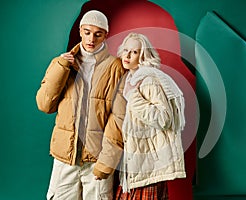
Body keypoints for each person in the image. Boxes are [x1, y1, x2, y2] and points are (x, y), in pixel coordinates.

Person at [36, 10, 126, 200]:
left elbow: (118, 118)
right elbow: (45, 105)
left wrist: (108, 160)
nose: (91, 38)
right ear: (80, 31)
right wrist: (61, 67)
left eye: (98, 34)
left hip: (96, 160)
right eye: (87, 32)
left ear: (106, 34)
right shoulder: (61, 63)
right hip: (65, 158)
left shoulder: (116, 67)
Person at [96, 32, 187, 199]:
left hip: (148, 167)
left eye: (135, 52)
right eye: (125, 50)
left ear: (143, 55)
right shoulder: (131, 78)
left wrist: (133, 97)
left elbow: (164, 118)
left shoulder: (148, 79)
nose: (128, 55)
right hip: (137, 164)